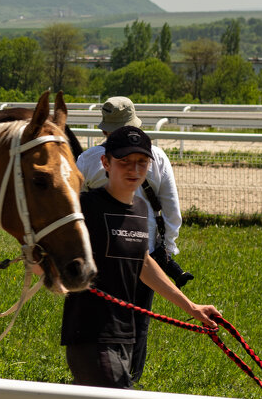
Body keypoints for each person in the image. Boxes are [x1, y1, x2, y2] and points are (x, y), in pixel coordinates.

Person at [0, 125, 219, 399]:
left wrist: (190, 307)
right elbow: (46, 245)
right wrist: (40, 266)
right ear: (106, 164)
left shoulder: (138, 213)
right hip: (91, 342)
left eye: (141, 163)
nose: (134, 170)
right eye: (125, 162)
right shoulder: (88, 208)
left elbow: (143, 263)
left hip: (126, 342)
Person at [76, 96, 192, 383]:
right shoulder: (157, 157)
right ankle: (129, 376)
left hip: (98, 251)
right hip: (146, 250)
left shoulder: (88, 160)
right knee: (139, 318)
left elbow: (75, 205)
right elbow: (172, 208)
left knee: (101, 314)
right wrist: (167, 248)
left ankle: (103, 375)